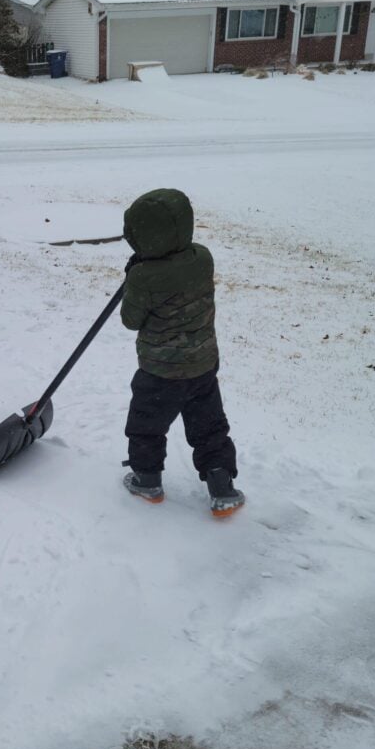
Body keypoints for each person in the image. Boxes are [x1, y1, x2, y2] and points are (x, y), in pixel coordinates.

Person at [120, 188, 244, 517]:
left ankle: (147, 479)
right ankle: (221, 484)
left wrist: (134, 275)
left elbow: (130, 320)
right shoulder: (203, 257)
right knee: (209, 426)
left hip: (160, 372)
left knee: (147, 423)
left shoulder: (143, 277)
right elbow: (175, 276)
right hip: (203, 367)